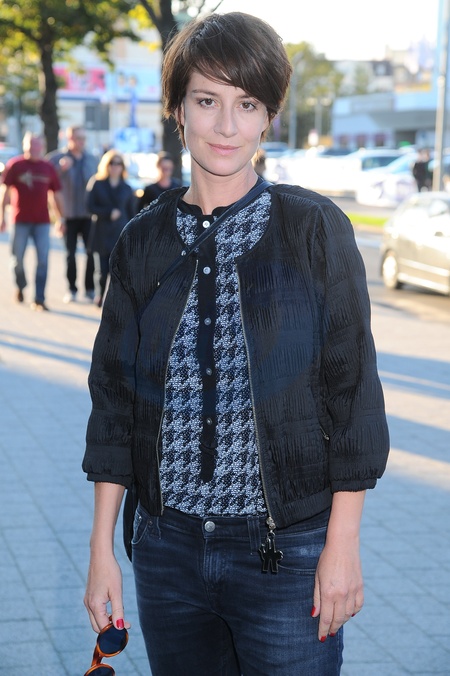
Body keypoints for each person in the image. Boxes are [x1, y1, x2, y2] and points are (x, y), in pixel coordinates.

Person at [83, 12, 390, 676]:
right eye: (206, 101)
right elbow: (113, 402)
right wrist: (102, 549)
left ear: (268, 116)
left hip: (288, 556)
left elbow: (354, 397)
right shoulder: (142, 241)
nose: (226, 126)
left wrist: (342, 546)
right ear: (177, 109)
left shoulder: (314, 230)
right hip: (166, 553)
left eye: (247, 104)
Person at [0, 132, 65, 311]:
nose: (33, 148)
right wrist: (2, 217)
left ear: (41, 147)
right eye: (30, 145)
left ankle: (39, 298)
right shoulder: (16, 165)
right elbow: (6, 192)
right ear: (25, 146)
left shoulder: (47, 168)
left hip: (42, 222)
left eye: (36, 145)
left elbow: (55, 196)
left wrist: (60, 219)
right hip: (20, 220)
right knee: (17, 258)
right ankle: (20, 286)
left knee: (43, 260)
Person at [47, 126, 98, 303]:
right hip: (67, 215)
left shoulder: (92, 159)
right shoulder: (56, 159)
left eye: (83, 138)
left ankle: (90, 289)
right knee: (70, 254)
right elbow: (49, 187)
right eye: (78, 138)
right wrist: (61, 170)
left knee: (91, 253)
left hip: (88, 215)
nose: (81, 142)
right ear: (69, 139)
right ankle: (72, 289)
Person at [86, 150, 136, 308]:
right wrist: (108, 213)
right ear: (106, 165)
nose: (115, 166)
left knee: (119, 270)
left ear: (122, 167)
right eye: (112, 163)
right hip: (101, 232)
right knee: (101, 270)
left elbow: (133, 213)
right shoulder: (97, 183)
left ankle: (115, 301)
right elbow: (89, 207)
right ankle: (100, 295)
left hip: (120, 233)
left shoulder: (127, 188)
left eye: (118, 163)